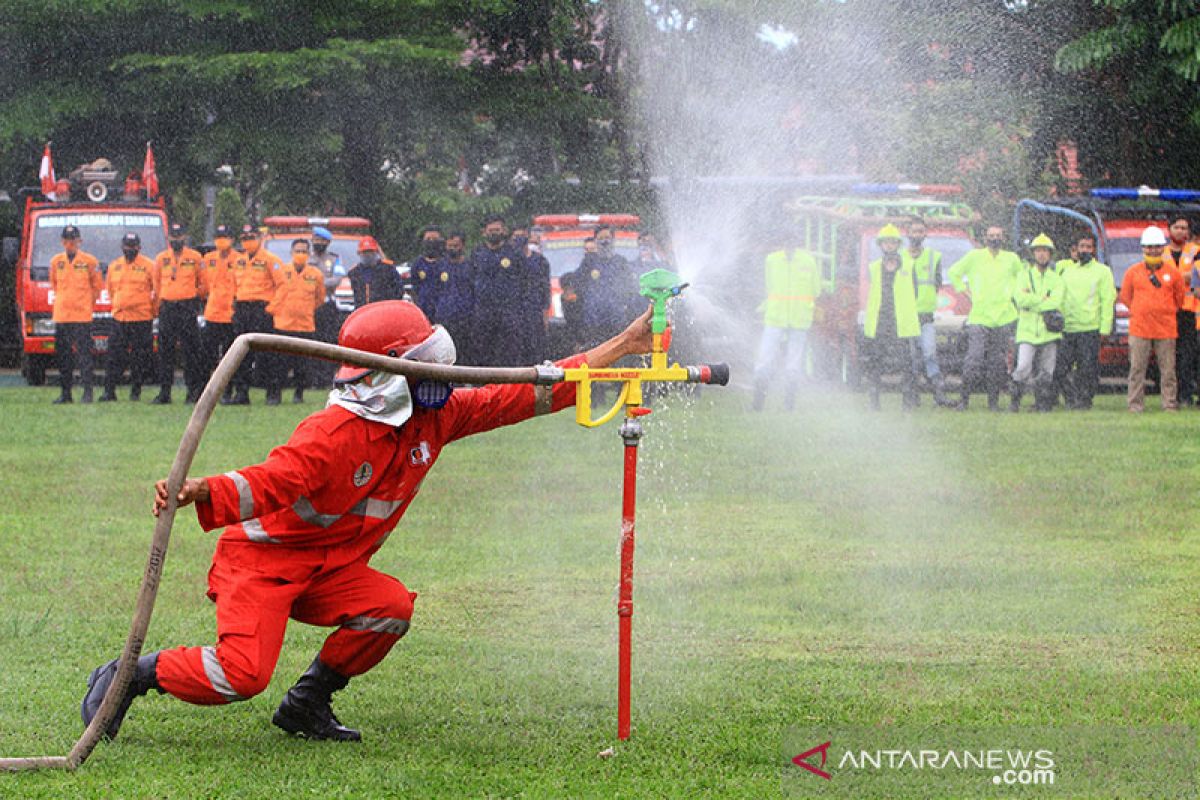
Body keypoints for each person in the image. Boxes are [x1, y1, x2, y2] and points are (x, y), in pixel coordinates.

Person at [80, 299, 655, 744]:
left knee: (390, 608)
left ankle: (305, 705)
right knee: (240, 676)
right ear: (386, 373)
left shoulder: (438, 417)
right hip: (262, 567)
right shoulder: (333, 435)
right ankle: (131, 674)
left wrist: (626, 344)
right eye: (425, 363)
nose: (443, 375)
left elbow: (531, 392)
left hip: (332, 571)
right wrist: (204, 489)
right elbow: (271, 480)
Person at [948, 225, 1022, 411]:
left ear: (1003, 238)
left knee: (997, 363)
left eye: (998, 235)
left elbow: (1022, 279)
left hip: (1003, 316)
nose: (994, 238)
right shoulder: (974, 256)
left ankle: (993, 403)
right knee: (974, 359)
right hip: (979, 316)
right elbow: (954, 273)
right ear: (984, 237)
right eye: (991, 235)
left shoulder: (1011, 259)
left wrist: (1015, 296)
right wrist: (964, 291)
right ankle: (964, 400)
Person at [749, 230, 819, 411]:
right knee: (770, 358)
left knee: (786, 361)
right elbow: (815, 290)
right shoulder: (773, 260)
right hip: (779, 316)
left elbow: (814, 289)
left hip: (794, 318)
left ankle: (775, 403)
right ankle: (767, 402)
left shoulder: (806, 261)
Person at [1119, 226, 1185, 412]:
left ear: (1163, 248)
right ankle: (1135, 405)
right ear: (1143, 248)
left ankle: (1169, 404)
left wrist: (1162, 310)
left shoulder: (1173, 274)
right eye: (1149, 247)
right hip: (1140, 329)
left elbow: (1179, 299)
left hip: (1166, 330)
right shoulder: (1133, 272)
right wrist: (1141, 311)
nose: (1153, 250)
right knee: (1137, 370)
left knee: (1168, 371)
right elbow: (1125, 297)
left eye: (1156, 247)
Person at [471, 215, 546, 365]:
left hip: (509, 314)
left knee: (509, 354)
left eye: (497, 230)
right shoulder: (477, 254)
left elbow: (526, 283)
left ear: (504, 231)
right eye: (491, 230)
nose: (494, 233)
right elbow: (470, 282)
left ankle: (509, 386)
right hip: (484, 314)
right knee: (484, 353)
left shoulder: (514, 253)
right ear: (484, 232)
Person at [862, 224, 921, 410]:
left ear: (898, 244)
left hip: (901, 321)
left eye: (893, 242)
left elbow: (915, 291)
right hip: (880, 320)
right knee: (876, 362)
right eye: (886, 242)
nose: (889, 245)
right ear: (881, 245)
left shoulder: (909, 265)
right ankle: (874, 400)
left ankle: (908, 400)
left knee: (907, 362)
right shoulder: (873, 268)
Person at [225, 225, 283, 406]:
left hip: (261, 308)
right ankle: (242, 393)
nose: (248, 241)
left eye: (251, 237)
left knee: (267, 353)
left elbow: (282, 285)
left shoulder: (270, 260)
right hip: (242, 308)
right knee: (241, 353)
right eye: (244, 238)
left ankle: (273, 392)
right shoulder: (239, 261)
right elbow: (233, 285)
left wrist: (271, 308)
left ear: (258, 238)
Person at [1056, 234, 1115, 410]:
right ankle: (1070, 398)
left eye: (1089, 247)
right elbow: (1060, 298)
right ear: (1075, 249)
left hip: (1090, 328)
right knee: (1060, 368)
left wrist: (1105, 328)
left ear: (1094, 250)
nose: (1085, 250)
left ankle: (1084, 401)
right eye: (1082, 246)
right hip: (1068, 327)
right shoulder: (1067, 271)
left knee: (1087, 369)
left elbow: (1107, 300)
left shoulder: (1103, 271)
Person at [1010, 234, 1065, 412]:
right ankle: (1014, 402)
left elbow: (1056, 302)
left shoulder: (1056, 279)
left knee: (1046, 371)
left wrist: (1032, 301)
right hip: (1026, 331)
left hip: (1049, 332)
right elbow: (1019, 299)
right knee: (1023, 367)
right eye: (1038, 251)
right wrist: (1042, 300)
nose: (1042, 255)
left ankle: (1042, 404)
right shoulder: (1023, 275)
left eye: (1045, 251)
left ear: (1050, 255)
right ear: (1033, 254)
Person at [152, 223, 205, 404]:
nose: (176, 241)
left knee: (191, 352)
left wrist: (192, 299)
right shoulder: (161, 259)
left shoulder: (195, 257)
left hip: (187, 307)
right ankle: (164, 392)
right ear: (169, 239)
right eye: (173, 238)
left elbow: (203, 284)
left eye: (179, 237)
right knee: (165, 352)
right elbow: (156, 283)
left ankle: (192, 392)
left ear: (185, 238)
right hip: (167, 307)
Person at [267, 239, 326, 404]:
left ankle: (298, 394)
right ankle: (275, 395)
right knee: (279, 364)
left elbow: (320, 298)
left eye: (304, 251)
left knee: (302, 365)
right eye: (297, 251)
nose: (300, 254)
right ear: (291, 253)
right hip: (282, 324)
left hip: (305, 326)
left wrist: (304, 309)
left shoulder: (316, 274)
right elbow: (272, 292)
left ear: (309, 254)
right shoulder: (281, 271)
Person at [101, 233, 158, 402]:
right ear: (122, 247)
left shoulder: (149, 266)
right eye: (127, 246)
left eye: (133, 247)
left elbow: (157, 292)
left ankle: (136, 392)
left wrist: (151, 312)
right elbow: (111, 291)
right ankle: (109, 392)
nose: (130, 250)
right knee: (114, 356)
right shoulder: (114, 266)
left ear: (139, 248)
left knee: (139, 358)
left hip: (141, 318)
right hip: (120, 318)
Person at [49, 225, 102, 404]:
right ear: (62, 242)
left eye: (73, 241)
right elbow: (55, 284)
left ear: (79, 241)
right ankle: (66, 393)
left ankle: (87, 393)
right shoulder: (56, 261)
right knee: (64, 357)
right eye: (66, 241)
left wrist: (86, 304)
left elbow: (97, 287)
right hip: (62, 315)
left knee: (84, 357)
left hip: (81, 317)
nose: (70, 244)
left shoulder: (89, 261)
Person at [904, 216, 950, 406]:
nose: (917, 235)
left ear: (925, 233)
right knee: (911, 357)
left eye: (920, 231)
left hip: (925, 316)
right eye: (914, 231)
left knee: (930, 353)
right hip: (906, 317)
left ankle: (938, 392)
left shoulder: (933, 256)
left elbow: (937, 283)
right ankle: (913, 395)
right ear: (907, 233)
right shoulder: (899, 257)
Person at [414, 230, 475, 364]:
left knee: (465, 353)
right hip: (443, 318)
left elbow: (475, 290)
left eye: (456, 246)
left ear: (463, 246)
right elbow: (428, 291)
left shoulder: (470, 266)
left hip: (466, 319)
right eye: (450, 246)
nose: (452, 249)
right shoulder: (439, 266)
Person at [200, 224, 242, 400]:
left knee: (229, 358)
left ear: (232, 240)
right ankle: (207, 391)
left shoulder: (240, 260)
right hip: (212, 314)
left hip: (231, 315)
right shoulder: (208, 259)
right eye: (218, 237)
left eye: (224, 238)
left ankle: (228, 391)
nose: (221, 241)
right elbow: (203, 286)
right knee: (207, 356)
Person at [1163, 216, 1200, 405]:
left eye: (1184, 228)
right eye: (1177, 227)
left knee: (1188, 354)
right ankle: (1172, 395)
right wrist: (1183, 277)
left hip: (1189, 310)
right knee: (1170, 354)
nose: (1181, 231)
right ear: (1169, 229)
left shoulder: (1195, 250)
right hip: (1167, 310)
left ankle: (1186, 393)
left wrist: (1172, 277)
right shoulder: (1160, 252)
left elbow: (1196, 275)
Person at [310, 226, 347, 390]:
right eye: (316, 240)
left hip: (327, 305)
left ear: (327, 243)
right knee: (311, 343)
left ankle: (326, 378)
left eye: (322, 241)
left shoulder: (334, 259)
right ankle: (311, 378)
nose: (318, 243)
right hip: (308, 306)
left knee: (327, 342)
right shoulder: (306, 259)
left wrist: (316, 282)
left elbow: (337, 280)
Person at [348, 236, 404, 308]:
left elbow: (399, 291)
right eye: (365, 252)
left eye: (370, 251)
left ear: (376, 252)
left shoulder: (388, 269)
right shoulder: (354, 272)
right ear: (359, 253)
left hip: (383, 310)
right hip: (362, 312)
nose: (368, 255)